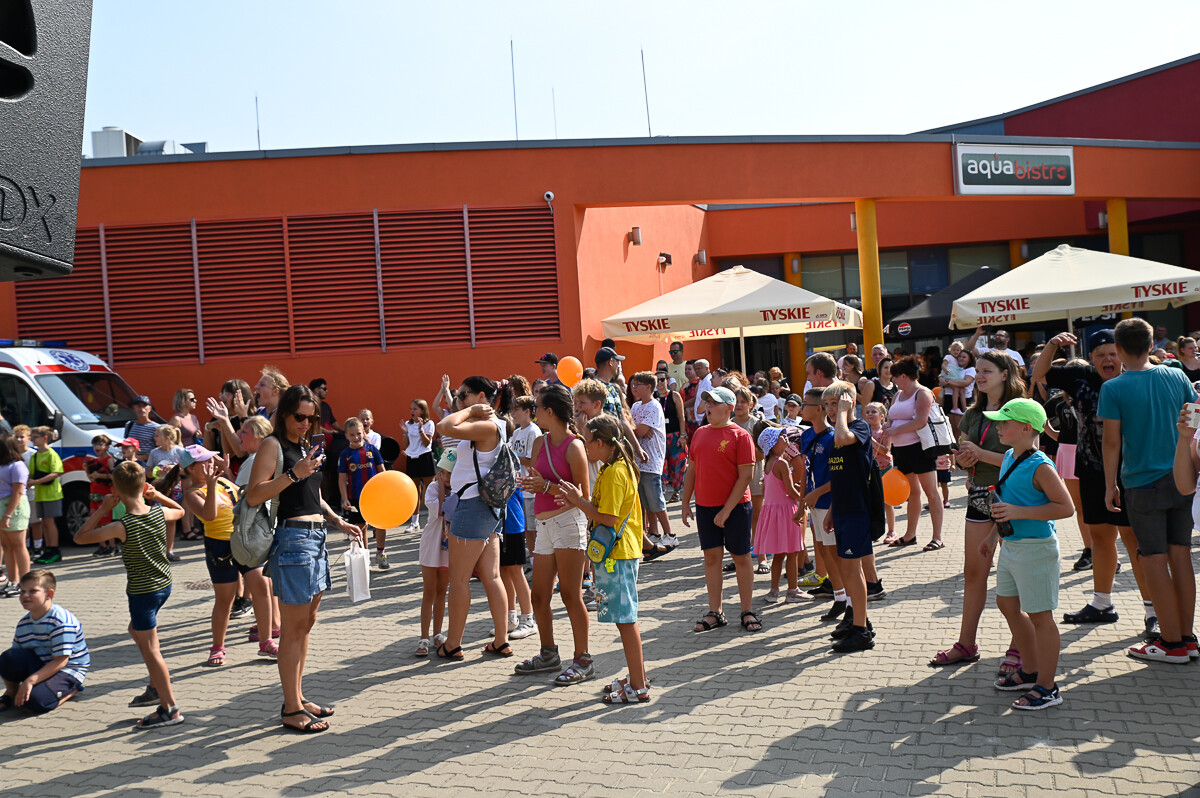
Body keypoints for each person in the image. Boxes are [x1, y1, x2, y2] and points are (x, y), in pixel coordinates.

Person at [247, 384, 363, 733]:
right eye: (299, 417)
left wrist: (337, 520)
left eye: (311, 419)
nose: (305, 424)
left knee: (306, 625)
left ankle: (296, 698)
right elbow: (254, 495)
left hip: (316, 538)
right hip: (294, 540)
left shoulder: (303, 446)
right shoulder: (273, 445)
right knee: (293, 629)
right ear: (284, 412)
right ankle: (290, 708)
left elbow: (313, 495)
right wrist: (294, 473)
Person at [1034, 331, 1157, 641]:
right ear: (1091, 358)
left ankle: (1153, 610)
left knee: (1133, 540)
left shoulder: (1137, 377)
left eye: (1112, 353)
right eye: (1100, 354)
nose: (1107, 359)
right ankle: (1102, 603)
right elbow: (1039, 374)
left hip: (1129, 473)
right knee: (1101, 537)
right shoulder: (1081, 376)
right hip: (1090, 469)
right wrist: (1053, 345)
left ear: (1122, 353)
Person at [1100, 318, 1198, 664]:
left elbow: (1111, 442)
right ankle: (1187, 638)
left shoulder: (1113, 387)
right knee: (1181, 555)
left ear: (1120, 349)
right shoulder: (1176, 374)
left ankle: (1170, 643)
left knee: (1153, 560)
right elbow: (1195, 416)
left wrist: (1109, 483)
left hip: (1142, 482)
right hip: (1183, 476)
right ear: (1151, 342)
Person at [929, 350, 1025, 668]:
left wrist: (981, 454)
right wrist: (963, 459)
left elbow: (1029, 459)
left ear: (1004, 374)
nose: (980, 376)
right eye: (978, 371)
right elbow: (961, 458)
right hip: (981, 496)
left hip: (1016, 498)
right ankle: (966, 644)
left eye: (986, 371)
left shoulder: (1021, 410)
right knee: (974, 572)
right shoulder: (973, 412)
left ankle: (1020, 645)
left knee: (1016, 574)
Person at [74, 460, 186, 729]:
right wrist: (157, 495)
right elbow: (180, 511)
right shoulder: (159, 513)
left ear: (115, 490)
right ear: (143, 485)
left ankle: (169, 707)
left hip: (142, 593)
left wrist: (103, 508)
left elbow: (80, 537)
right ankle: (158, 685)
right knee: (136, 631)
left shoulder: (121, 525)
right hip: (163, 586)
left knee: (151, 650)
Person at [980, 399, 1074, 709]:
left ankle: (1048, 687)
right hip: (1012, 547)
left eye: (1003, 423)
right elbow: (1005, 504)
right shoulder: (1009, 456)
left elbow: (1065, 507)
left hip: (1036, 549)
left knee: (1040, 617)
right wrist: (993, 537)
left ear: (1025, 428)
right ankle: (1030, 670)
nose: (998, 427)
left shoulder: (1041, 465)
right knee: (1006, 603)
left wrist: (1019, 512)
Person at [554, 413, 650, 704]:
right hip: (621, 552)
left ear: (600, 443)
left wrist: (578, 501)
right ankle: (637, 677)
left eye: (587, 442)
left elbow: (607, 518)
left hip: (618, 554)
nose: (584, 448)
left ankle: (638, 686)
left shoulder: (616, 472)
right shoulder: (617, 467)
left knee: (625, 620)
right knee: (624, 618)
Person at [514, 384, 594, 682]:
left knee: (571, 595)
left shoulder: (574, 446)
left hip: (569, 523)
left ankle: (583, 659)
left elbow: (583, 494)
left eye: (537, 408)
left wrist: (545, 487)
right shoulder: (540, 443)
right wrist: (531, 483)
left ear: (550, 412)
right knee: (539, 596)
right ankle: (548, 653)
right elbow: (537, 477)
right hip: (545, 525)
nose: (534, 412)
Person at [172, 445, 279, 662]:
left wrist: (227, 473)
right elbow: (209, 516)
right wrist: (211, 486)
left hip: (244, 542)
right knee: (225, 599)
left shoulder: (222, 481)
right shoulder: (192, 494)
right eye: (205, 462)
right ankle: (217, 647)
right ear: (191, 468)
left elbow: (241, 497)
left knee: (262, 586)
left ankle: (266, 640)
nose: (211, 464)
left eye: (211, 460)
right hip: (220, 548)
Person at [434, 377, 512, 663]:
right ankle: (501, 640)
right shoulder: (497, 425)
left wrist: (473, 409)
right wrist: (472, 408)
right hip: (487, 508)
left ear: (481, 396)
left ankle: (453, 643)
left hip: (473, 506)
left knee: (459, 580)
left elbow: (444, 426)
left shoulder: (487, 425)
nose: (458, 401)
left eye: (463, 395)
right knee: (491, 576)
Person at [681, 386, 761, 634]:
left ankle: (747, 610)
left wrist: (726, 511)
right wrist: (685, 503)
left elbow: (746, 476)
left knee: (741, 558)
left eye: (713, 403)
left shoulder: (740, 436)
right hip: (706, 507)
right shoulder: (700, 434)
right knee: (711, 558)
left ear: (728, 408)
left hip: (736, 507)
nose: (707, 406)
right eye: (706, 401)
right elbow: (692, 469)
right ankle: (715, 611)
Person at [824, 381, 885, 653]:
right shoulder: (841, 431)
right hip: (844, 510)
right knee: (847, 569)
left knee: (852, 568)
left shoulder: (858, 428)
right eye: (826, 405)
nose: (829, 409)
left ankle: (860, 631)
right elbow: (841, 477)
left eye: (834, 403)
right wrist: (832, 509)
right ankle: (861, 621)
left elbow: (840, 438)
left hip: (859, 510)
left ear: (848, 402)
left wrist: (844, 413)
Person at [0, 570, 89, 714]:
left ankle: (71, 690)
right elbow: (15, 656)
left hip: (67, 670)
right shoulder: (24, 623)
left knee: (33, 702)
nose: (25, 596)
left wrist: (30, 681)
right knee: (8, 657)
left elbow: (61, 661)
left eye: (33, 591)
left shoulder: (61, 621)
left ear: (49, 594)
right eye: (22, 591)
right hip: (42, 664)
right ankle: (11, 694)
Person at [879, 359, 944, 551]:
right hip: (902, 450)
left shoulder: (923, 393)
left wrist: (895, 431)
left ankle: (937, 537)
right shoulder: (898, 394)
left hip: (920, 449)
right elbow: (892, 417)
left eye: (895, 377)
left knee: (931, 492)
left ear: (904, 376)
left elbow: (921, 422)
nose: (894, 381)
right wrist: (888, 427)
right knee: (913, 493)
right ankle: (910, 535)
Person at [755, 427, 806, 603]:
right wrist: (806, 497)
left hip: (773, 513)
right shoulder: (782, 464)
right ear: (773, 444)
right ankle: (793, 591)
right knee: (792, 553)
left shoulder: (769, 463)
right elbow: (791, 491)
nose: (786, 438)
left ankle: (773, 591)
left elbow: (783, 487)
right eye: (781, 437)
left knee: (778, 555)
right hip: (786, 512)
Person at [415, 450, 454, 656]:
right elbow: (439, 511)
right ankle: (424, 637)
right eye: (443, 473)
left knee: (442, 592)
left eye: (451, 474)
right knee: (429, 592)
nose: (447, 478)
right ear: (438, 473)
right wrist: (440, 486)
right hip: (431, 546)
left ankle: (438, 633)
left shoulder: (458, 490)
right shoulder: (432, 488)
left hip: (448, 549)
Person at [337, 417, 387, 568]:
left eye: (358, 433)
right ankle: (365, 557)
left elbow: (382, 472)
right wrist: (345, 499)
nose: (356, 437)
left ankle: (380, 553)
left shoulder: (372, 450)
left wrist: (385, 491)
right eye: (352, 435)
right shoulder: (344, 454)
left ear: (363, 432)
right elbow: (341, 479)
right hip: (355, 496)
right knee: (360, 528)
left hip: (375, 495)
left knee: (380, 524)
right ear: (346, 436)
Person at [629, 372, 672, 549]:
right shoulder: (636, 406)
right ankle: (653, 532)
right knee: (645, 501)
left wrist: (634, 429)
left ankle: (670, 533)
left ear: (649, 387)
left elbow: (638, 431)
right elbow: (633, 427)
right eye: (633, 384)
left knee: (656, 500)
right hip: (638, 461)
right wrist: (635, 428)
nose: (634, 387)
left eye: (638, 384)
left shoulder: (654, 406)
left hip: (651, 460)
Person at [148, 425, 186, 562]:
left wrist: (175, 469)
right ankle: (157, 550)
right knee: (157, 517)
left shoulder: (180, 451)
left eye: (157, 435)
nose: (154, 438)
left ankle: (169, 550)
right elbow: (149, 472)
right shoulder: (154, 453)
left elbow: (187, 471)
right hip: (159, 490)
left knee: (171, 519)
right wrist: (157, 472)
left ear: (167, 438)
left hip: (175, 489)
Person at [28, 427, 64, 566]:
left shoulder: (51, 454)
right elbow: (30, 474)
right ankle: (48, 549)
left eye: (35, 436)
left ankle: (55, 550)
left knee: (49, 522)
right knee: (44, 523)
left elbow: (56, 473)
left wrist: (36, 482)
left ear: (45, 438)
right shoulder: (35, 456)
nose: (33, 439)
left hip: (52, 494)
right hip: (40, 494)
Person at [0, 435, 30, 597]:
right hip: (2, 508)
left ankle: (25, 583)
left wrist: (7, 514)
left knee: (18, 546)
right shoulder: (3, 465)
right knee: (7, 546)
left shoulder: (17, 466)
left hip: (14, 509)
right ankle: (13, 581)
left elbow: (18, 492)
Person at [863, 402, 896, 542]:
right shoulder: (863, 430)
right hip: (869, 469)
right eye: (868, 412)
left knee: (887, 502)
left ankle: (891, 531)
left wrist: (870, 440)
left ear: (882, 416)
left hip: (885, 469)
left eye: (873, 412)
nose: (870, 414)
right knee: (871, 501)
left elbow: (885, 450)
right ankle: (874, 530)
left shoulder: (885, 431)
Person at [403, 400, 437, 532]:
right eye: (411, 408)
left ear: (422, 410)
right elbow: (405, 445)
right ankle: (415, 523)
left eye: (415, 409)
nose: (412, 411)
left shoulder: (429, 423)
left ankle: (433, 520)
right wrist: (405, 432)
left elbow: (426, 443)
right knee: (414, 492)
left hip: (425, 457)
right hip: (412, 459)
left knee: (431, 491)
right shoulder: (408, 424)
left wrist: (421, 429)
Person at [84, 435, 119, 557]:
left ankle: (113, 546)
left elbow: (113, 476)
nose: (97, 447)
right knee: (97, 520)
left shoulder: (109, 460)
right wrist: (87, 471)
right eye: (95, 444)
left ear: (107, 447)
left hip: (105, 493)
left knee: (107, 522)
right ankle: (102, 546)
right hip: (95, 493)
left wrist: (100, 475)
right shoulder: (95, 461)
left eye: (100, 444)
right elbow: (91, 478)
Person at [657, 374, 688, 502]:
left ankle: (676, 492)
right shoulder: (653, 397)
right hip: (659, 436)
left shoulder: (674, 396)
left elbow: (681, 417)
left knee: (677, 464)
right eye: (657, 380)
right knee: (662, 464)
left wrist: (682, 435)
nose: (660, 382)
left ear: (668, 381)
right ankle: (662, 492)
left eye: (662, 379)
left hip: (674, 435)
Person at [123, 396, 161, 463]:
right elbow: (126, 445)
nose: (141, 409)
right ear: (134, 408)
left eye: (144, 406)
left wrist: (138, 458)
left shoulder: (157, 428)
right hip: (131, 465)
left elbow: (160, 450)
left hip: (148, 466)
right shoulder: (129, 425)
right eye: (138, 406)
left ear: (150, 408)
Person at [692, 359, 714, 426]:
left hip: (706, 420)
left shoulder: (709, 381)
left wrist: (705, 417)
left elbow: (711, 401)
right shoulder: (701, 381)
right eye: (695, 369)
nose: (697, 371)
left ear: (707, 368)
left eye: (699, 368)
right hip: (700, 421)